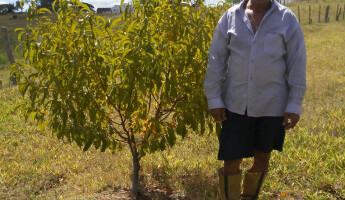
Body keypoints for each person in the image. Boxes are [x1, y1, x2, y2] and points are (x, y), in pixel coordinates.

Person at [203, 0, 306, 199]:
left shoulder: (286, 19)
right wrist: (214, 98)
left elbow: (297, 63)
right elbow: (216, 59)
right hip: (236, 104)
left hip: (272, 105)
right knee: (231, 160)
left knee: (262, 159)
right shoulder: (230, 17)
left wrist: (294, 103)